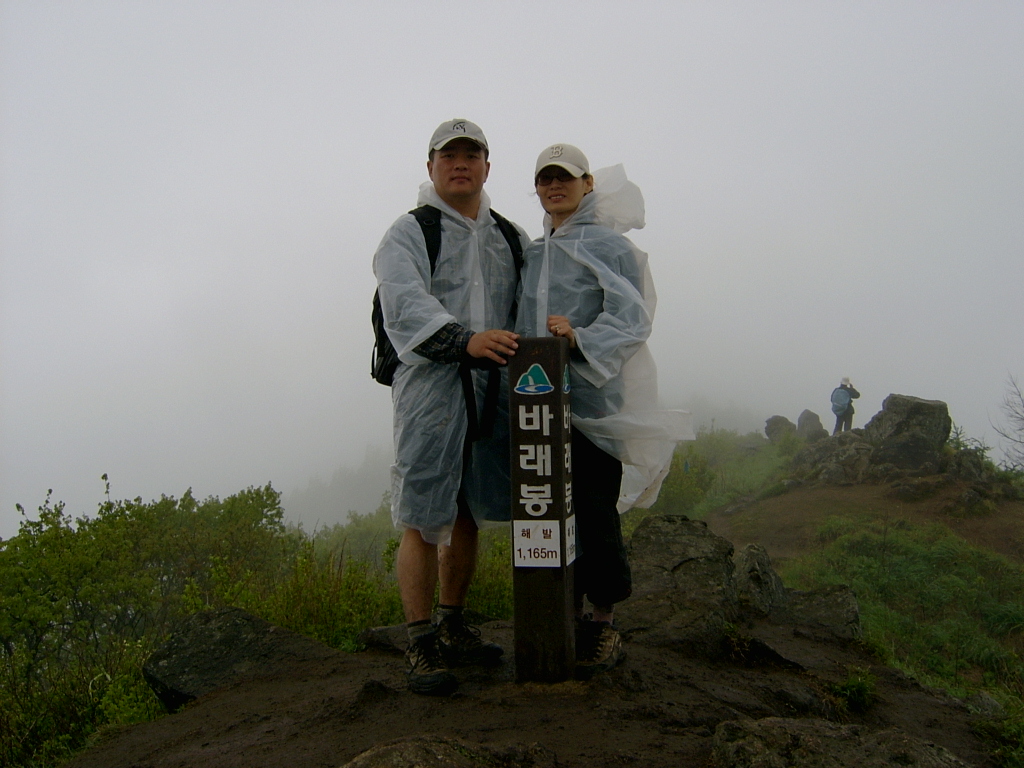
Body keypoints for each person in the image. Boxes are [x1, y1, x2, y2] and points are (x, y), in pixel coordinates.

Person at [516, 144, 692, 678]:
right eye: (545, 179)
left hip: (593, 401)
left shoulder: (610, 246)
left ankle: (603, 620)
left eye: (565, 178)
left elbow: (633, 316)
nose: (554, 187)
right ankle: (561, 615)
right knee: (547, 507)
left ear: (588, 184)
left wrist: (581, 337)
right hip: (536, 405)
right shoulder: (533, 252)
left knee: (594, 508)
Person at [372, 119, 529, 696]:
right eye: (449, 155)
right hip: (431, 387)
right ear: (431, 166)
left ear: (487, 166)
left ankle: (452, 623)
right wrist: (464, 340)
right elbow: (404, 303)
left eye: (471, 154)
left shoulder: (510, 237)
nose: (460, 164)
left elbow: (532, 300)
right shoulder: (410, 232)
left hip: (494, 386)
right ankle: (419, 641)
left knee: (467, 509)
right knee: (422, 513)